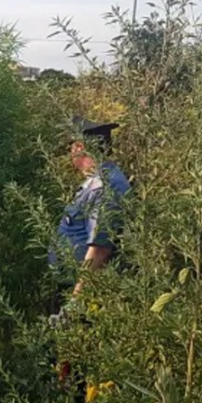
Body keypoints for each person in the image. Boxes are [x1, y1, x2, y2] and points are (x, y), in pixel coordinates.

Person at [51, 116, 131, 299]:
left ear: (80, 147)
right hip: (74, 288)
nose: (70, 152)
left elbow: (100, 249)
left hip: (87, 295)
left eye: (71, 147)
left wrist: (76, 303)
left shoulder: (106, 186)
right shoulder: (94, 183)